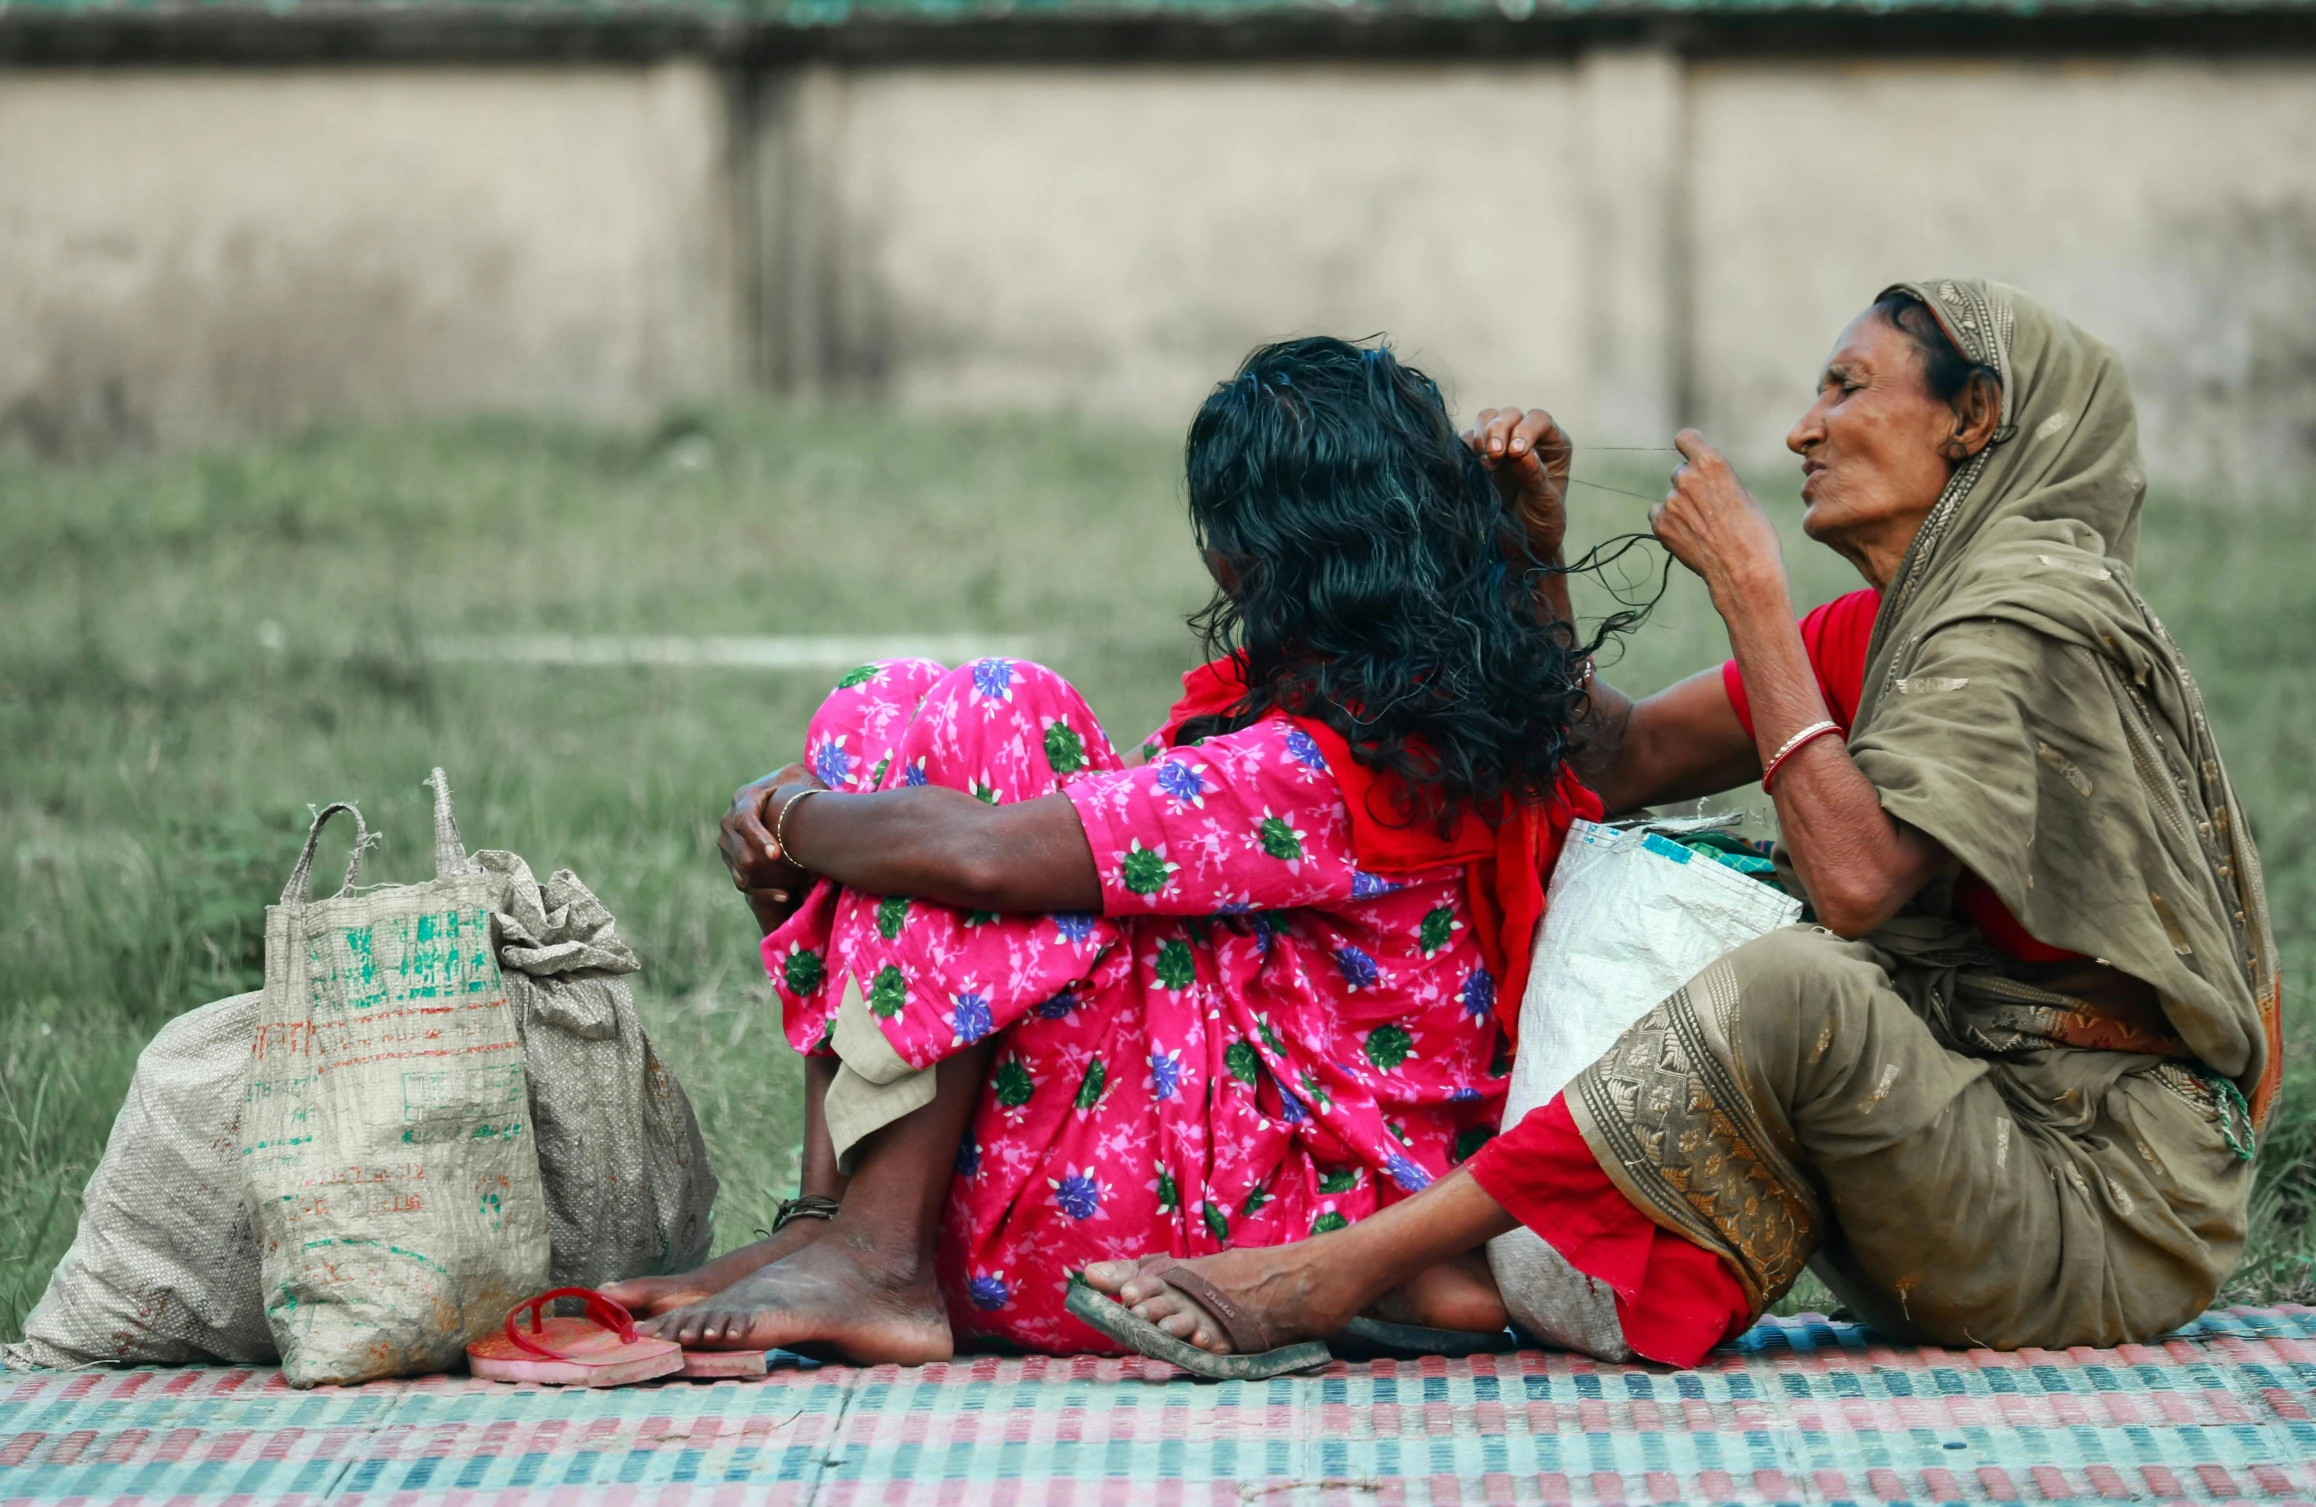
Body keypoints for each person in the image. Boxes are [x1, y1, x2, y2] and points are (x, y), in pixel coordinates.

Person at [1081, 278, 2282, 1367]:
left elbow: (1859, 887)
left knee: (1798, 978)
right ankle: (1447, 1262)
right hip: (1963, 1173)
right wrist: (1533, 555)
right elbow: (1611, 759)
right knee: (1689, 910)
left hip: (2100, 1215)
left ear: (1974, 421)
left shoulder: (2034, 623)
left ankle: (1337, 1271)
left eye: (1848, 388)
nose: (1804, 430)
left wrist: (1752, 592)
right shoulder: (1882, 636)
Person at [603, 336, 1615, 1363]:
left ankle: (880, 1256)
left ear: (1235, 560)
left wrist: (788, 813)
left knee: (999, 720)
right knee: (894, 711)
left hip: (1263, 1214)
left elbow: (989, 861)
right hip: (1212, 1156)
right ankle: (831, 1226)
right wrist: (822, 815)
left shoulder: (1321, 768)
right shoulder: (1387, 721)